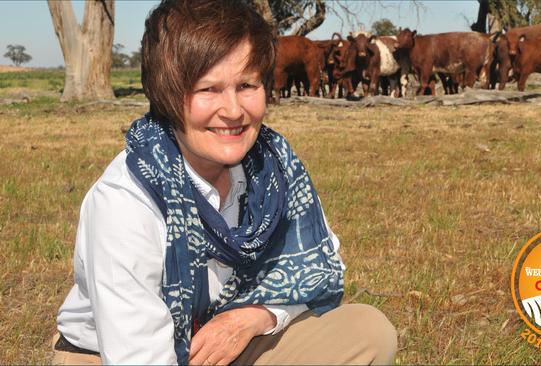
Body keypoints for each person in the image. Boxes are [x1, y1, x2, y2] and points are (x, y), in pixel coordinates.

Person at [52, 0, 397, 364]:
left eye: (246, 84)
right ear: (165, 93)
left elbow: (324, 266)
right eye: (208, 89)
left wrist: (254, 318)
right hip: (118, 355)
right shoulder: (125, 202)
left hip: (228, 340)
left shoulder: (274, 168)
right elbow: (139, 356)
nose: (233, 111)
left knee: (366, 332)